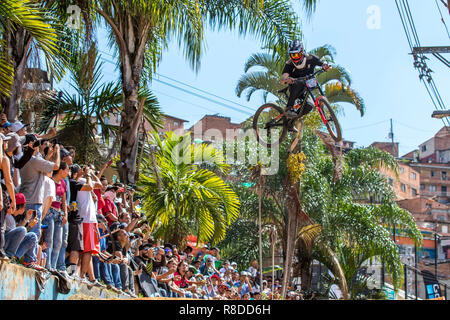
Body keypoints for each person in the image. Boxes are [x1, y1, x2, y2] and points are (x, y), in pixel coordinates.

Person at [281, 39, 331, 121]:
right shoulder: (289, 64)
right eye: (293, 55)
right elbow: (283, 78)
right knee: (297, 83)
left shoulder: (311, 58)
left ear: (302, 51)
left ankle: (291, 121)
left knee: (309, 106)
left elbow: (322, 63)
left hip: (306, 88)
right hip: (295, 88)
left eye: (297, 54)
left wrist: (326, 66)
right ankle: (289, 108)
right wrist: (287, 79)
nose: (295, 57)